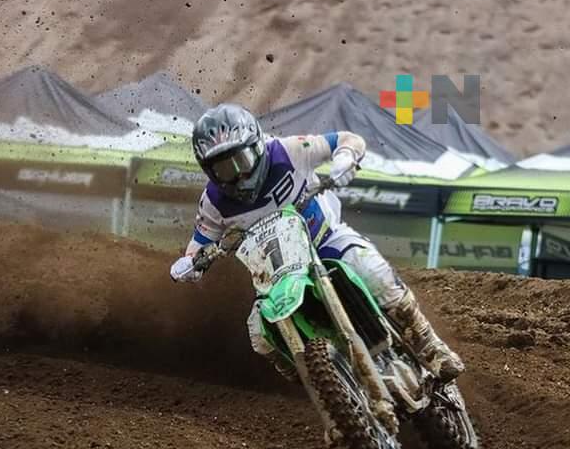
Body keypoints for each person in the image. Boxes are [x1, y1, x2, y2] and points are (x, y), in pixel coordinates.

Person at [170, 103, 463, 383]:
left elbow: (347, 139)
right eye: (224, 169)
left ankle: (429, 344)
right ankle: (312, 381)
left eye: (242, 161)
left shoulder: (288, 151)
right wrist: (191, 263)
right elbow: (201, 240)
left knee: (373, 271)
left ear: (257, 147)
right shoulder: (213, 202)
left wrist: (346, 158)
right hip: (275, 272)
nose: (237, 175)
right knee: (259, 335)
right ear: (209, 171)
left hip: (325, 241)